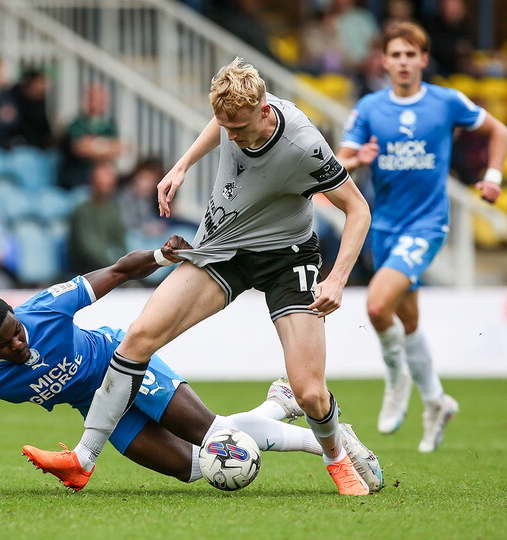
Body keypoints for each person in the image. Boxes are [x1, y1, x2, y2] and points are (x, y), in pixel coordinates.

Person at [30, 57, 376, 496]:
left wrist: (338, 278)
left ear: (265, 109)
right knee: (138, 337)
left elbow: (358, 209)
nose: (229, 137)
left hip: (287, 257)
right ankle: (83, 459)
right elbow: (220, 125)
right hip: (223, 249)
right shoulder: (232, 116)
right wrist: (183, 165)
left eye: (239, 128)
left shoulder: (303, 143)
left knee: (310, 393)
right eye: (223, 125)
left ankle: (337, 458)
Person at [0, 238, 383, 494]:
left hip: (127, 367)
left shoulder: (44, 308)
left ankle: (332, 445)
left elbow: (116, 272)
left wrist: (167, 257)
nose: (19, 347)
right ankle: (275, 405)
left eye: (17, 334)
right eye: (5, 347)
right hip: (99, 410)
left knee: (216, 436)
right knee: (197, 469)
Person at [336, 22, 507, 452]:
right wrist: (357, 158)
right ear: (384, 61)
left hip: (427, 224)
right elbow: (339, 162)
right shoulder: (370, 108)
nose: (402, 62)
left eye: (410, 55)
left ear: (423, 60)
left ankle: (397, 382)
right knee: (408, 322)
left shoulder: (446, 101)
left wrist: (493, 176)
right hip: (384, 226)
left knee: (378, 306)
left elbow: (499, 131)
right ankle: (436, 401)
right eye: (395, 55)